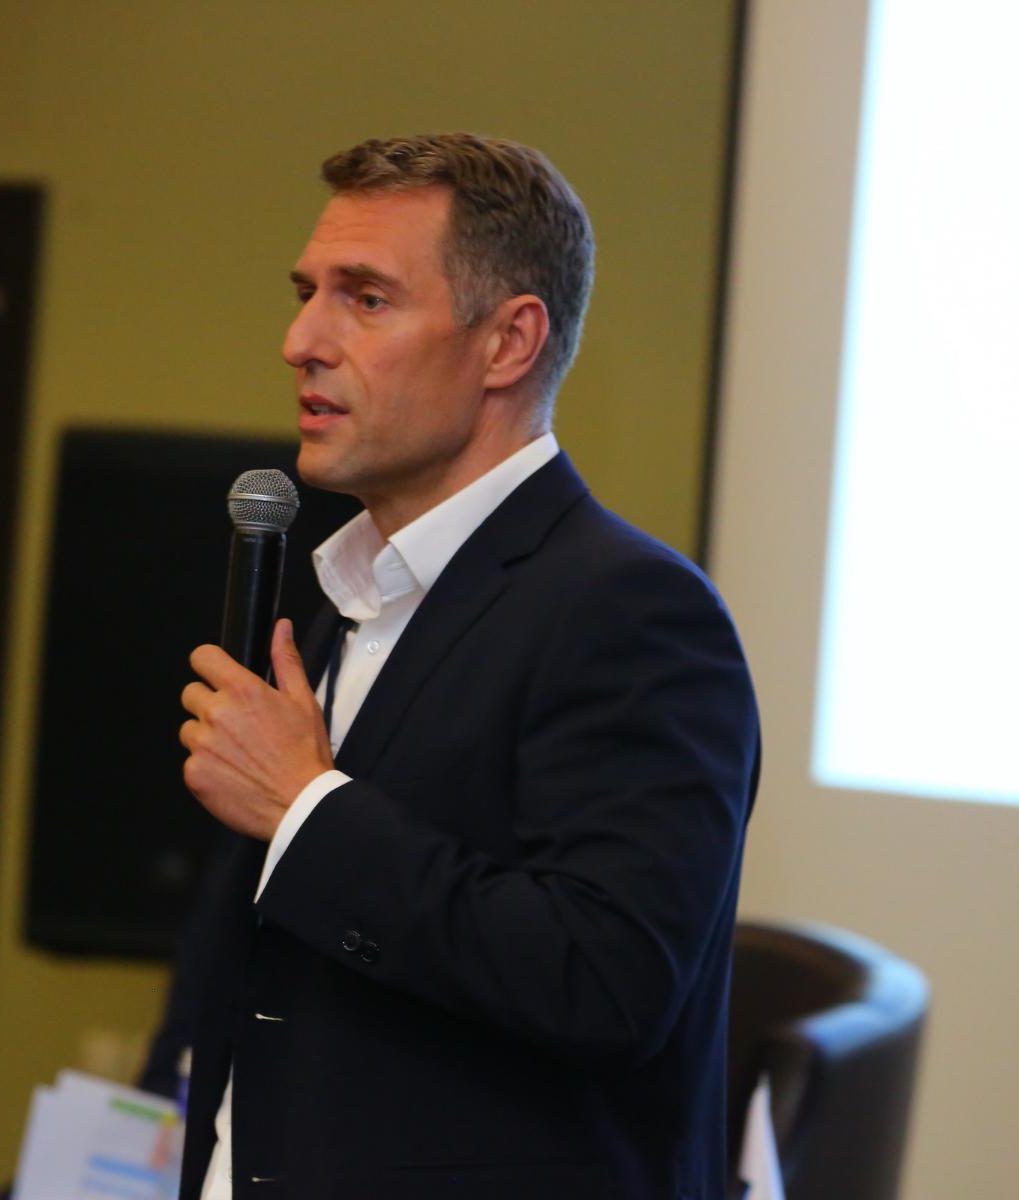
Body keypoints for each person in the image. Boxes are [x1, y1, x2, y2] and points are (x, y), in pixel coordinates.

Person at [155, 133, 760, 1199]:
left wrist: (306, 809)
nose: (301, 341)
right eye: (306, 294)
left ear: (508, 343)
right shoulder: (351, 598)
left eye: (366, 299)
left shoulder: (632, 611)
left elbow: (607, 982)